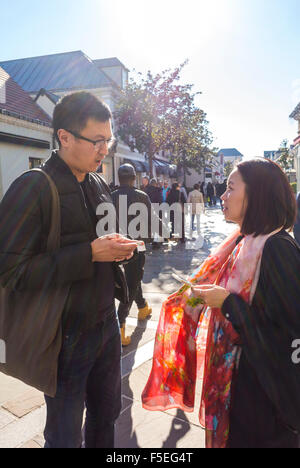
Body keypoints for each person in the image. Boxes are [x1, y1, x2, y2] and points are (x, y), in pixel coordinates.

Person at [0, 92, 139, 448]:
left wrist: (118, 252)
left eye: (108, 140)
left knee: (106, 415)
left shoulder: (96, 183)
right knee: (63, 434)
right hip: (65, 334)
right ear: (64, 137)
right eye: (97, 141)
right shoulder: (32, 187)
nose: (104, 150)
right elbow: (10, 271)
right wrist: (89, 255)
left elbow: (100, 244)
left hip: (106, 322)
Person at [142, 158, 300, 448]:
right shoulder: (244, 241)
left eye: (230, 188)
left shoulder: (278, 249)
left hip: (266, 403)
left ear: (257, 196)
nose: (223, 196)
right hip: (241, 389)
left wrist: (228, 304)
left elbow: (289, 334)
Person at [112, 164, 152, 346]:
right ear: (134, 178)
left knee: (134, 279)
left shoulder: (111, 196)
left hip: (117, 244)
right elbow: (151, 220)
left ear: (119, 177)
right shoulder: (141, 196)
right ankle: (120, 324)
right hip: (138, 245)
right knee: (132, 281)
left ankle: (142, 307)